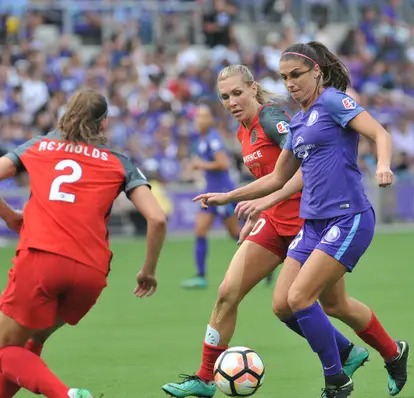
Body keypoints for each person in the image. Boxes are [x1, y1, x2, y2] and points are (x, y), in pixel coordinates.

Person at [195, 43, 409, 398]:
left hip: (347, 217)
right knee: (285, 304)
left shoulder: (333, 102)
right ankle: (391, 352)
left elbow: (380, 134)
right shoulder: (298, 121)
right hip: (313, 224)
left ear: (317, 73)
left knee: (301, 297)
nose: (290, 83)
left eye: (296, 75)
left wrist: (384, 165)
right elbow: (279, 178)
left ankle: (336, 379)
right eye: (284, 77)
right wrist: (232, 197)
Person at [162, 65, 374, 398]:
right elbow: (270, 176)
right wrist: (256, 210)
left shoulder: (271, 117)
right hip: (274, 222)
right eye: (224, 97)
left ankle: (364, 353)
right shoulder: (241, 132)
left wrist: (241, 197)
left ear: (252, 89)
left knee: (333, 305)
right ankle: (204, 379)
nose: (231, 102)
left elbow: (302, 153)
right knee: (227, 292)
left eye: (236, 93)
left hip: (309, 221)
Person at [0, 89, 167, 398]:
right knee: (29, 345)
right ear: (103, 124)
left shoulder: (40, 145)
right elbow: (157, 219)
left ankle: (67, 396)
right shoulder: (120, 163)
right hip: (90, 274)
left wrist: (10, 217)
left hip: (41, 261)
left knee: (4, 349)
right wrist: (148, 271)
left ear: (66, 113)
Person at [181, 105, 240, 289]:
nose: (199, 120)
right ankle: (200, 276)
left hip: (222, 192)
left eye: (204, 116)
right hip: (210, 192)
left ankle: (264, 260)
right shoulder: (202, 139)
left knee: (235, 233)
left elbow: (222, 164)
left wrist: (200, 165)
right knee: (200, 230)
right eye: (197, 116)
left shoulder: (214, 139)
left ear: (210, 119)